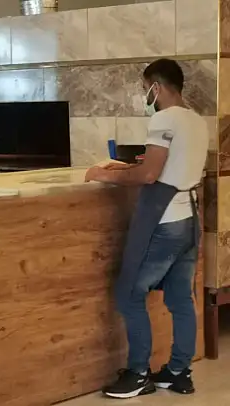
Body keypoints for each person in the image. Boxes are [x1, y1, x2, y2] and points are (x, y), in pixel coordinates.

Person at [85, 59, 208, 399]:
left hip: (165, 221)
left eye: (144, 88)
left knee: (129, 294)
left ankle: (138, 374)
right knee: (181, 298)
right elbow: (170, 166)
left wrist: (103, 174)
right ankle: (178, 372)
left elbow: (149, 175)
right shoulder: (196, 120)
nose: (145, 95)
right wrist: (129, 168)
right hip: (189, 220)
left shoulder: (164, 118)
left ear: (156, 86)